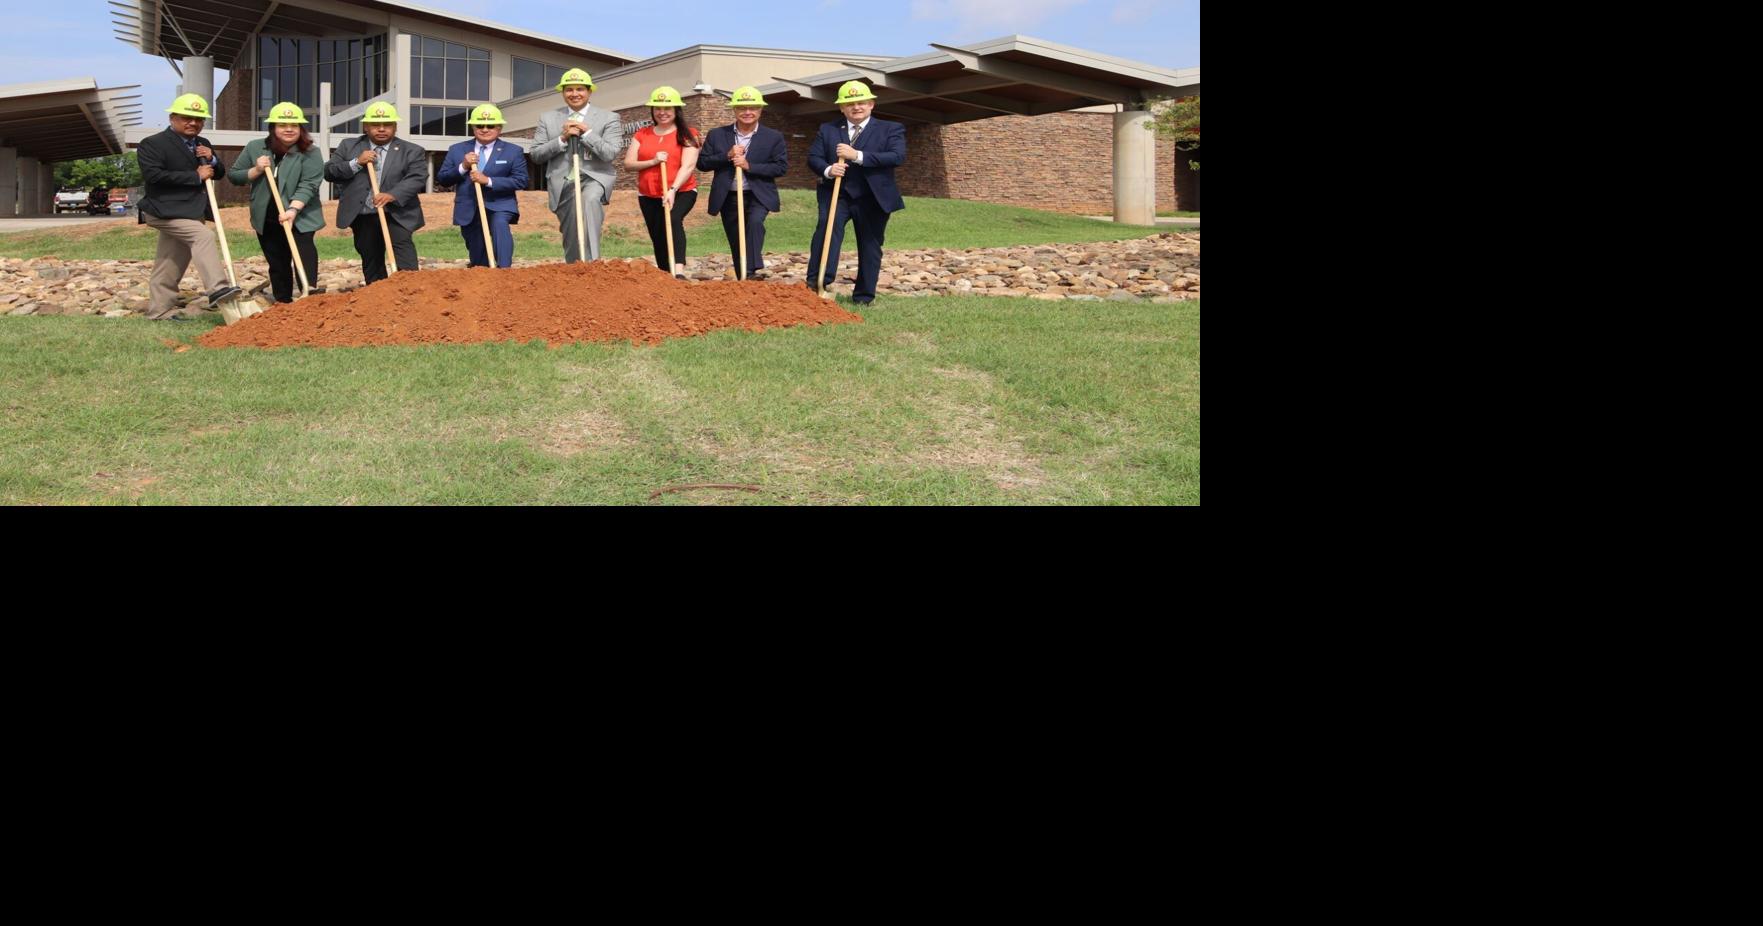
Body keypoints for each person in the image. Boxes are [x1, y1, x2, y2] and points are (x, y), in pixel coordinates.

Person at [135, 93, 240, 320]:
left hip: (191, 211)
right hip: (163, 210)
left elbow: (218, 173)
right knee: (202, 237)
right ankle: (217, 288)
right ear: (173, 117)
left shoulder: (203, 144)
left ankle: (160, 311)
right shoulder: (152, 144)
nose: (193, 123)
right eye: (187, 118)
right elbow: (154, 175)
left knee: (170, 260)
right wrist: (195, 176)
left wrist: (211, 160)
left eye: (199, 119)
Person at [805, 80, 906, 305]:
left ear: (871, 104)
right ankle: (818, 282)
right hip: (836, 194)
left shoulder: (891, 129)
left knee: (870, 244)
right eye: (849, 104)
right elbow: (814, 158)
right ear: (841, 108)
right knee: (827, 230)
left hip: (873, 197)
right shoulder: (828, 129)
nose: (856, 107)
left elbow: (897, 156)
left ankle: (863, 296)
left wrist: (857, 155)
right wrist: (829, 169)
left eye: (861, 102)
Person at [228, 101, 325, 303]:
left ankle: (310, 295)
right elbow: (234, 176)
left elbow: (309, 184)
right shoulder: (256, 147)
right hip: (267, 216)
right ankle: (283, 300)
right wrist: (255, 170)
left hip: (301, 214)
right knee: (277, 260)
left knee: (303, 251)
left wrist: (292, 210)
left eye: (294, 125)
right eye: (282, 125)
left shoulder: (310, 152)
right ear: (272, 128)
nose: (289, 129)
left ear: (301, 128)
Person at [528, 68, 625, 263]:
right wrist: (562, 138)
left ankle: (593, 266)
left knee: (589, 202)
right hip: (563, 181)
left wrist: (588, 134)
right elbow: (536, 155)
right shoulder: (548, 118)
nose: (574, 94)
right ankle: (575, 270)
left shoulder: (609, 118)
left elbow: (610, 153)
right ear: (563, 93)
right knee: (572, 232)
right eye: (569, 90)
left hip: (594, 177)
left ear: (589, 91)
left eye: (580, 89)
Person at [324, 101, 426, 284]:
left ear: (395, 127)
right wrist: (356, 162)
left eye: (387, 125)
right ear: (366, 126)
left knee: (403, 253)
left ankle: (410, 293)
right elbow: (330, 172)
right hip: (363, 213)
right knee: (371, 257)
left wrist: (392, 194)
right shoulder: (349, 146)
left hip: (396, 213)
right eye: (375, 125)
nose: (381, 129)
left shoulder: (411, 150)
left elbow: (417, 177)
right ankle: (378, 297)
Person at [696, 86, 787, 280]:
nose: (747, 112)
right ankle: (744, 280)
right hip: (728, 196)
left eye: (752, 107)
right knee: (737, 239)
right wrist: (726, 155)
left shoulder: (773, 137)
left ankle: (751, 270)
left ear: (760, 110)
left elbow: (780, 168)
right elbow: (702, 163)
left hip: (758, 194)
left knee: (754, 223)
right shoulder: (717, 134)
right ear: (734, 110)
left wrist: (749, 165)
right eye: (742, 108)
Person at [622, 87, 700, 278]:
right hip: (648, 194)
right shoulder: (642, 134)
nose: (662, 112)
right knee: (657, 234)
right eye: (657, 108)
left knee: (673, 220)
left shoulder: (688, 134)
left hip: (682, 191)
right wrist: (653, 162)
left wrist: (673, 189)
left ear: (676, 110)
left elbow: (688, 166)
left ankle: (679, 271)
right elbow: (628, 164)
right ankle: (666, 274)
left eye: (667, 108)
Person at [439, 104, 527, 268]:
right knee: (478, 253)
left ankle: (504, 270)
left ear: (499, 128)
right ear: (473, 127)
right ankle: (483, 273)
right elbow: (443, 179)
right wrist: (463, 166)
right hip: (469, 207)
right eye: (480, 125)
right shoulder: (457, 150)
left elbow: (521, 180)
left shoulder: (513, 151)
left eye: (490, 125)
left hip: (500, 204)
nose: (485, 129)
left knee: (500, 224)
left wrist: (488, 181)